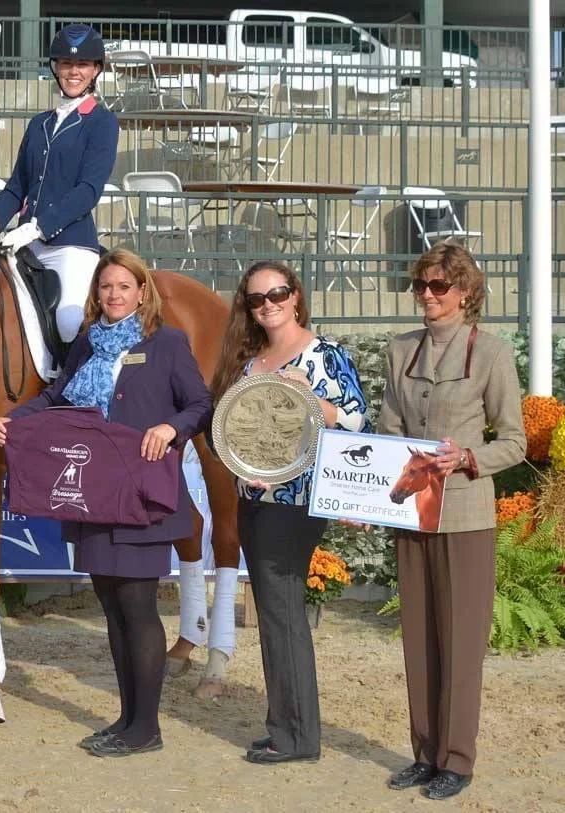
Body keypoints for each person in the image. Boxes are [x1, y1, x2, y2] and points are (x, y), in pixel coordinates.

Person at [0, 249, 213, 757]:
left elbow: (200, 405)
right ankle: (126, 718)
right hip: (94, 493)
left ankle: (147, 728)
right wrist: (16, 419)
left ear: (142, 292)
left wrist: (170, 427)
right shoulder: (89, 342)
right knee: (112, 609)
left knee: (137, 607)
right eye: (106, 287)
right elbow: (59, 396)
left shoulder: (167, 343)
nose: (114, 295)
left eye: (123, 286)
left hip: (142, 492)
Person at [377, 242, 525, 800]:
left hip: (464, 513)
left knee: (460, 642)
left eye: (439, 287)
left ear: (466, 293)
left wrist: (467, 458)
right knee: (418, 637)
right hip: (412, 511)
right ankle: (424, 754)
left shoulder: (491, 354)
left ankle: (457, 760)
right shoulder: (400, 350)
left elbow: (513, 440)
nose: (427, 295)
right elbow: (389, 429)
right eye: (421, 285)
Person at [210, 260, 370, 765]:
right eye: (257, 299)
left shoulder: (323, 354)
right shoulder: (248, 362)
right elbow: (230, 432)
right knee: (274, 616)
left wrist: (313, 402)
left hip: (296, 502)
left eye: (277, 293)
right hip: (253, 499)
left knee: (283, 614)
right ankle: (284, 725)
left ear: (296, 295)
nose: (269, 304)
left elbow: (354, 421)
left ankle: (298, 738)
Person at [0, 23, 119, 351]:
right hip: (23, 244)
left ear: (95, 70)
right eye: (66, 64)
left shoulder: (102, 123)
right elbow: (18, 185)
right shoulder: (38, 123)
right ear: (56, 68)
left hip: (69, 246)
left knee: (69, 323)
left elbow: (88, 190)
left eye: (82, 65)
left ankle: (71, 390)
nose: (73, 72)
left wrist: (38, 228)